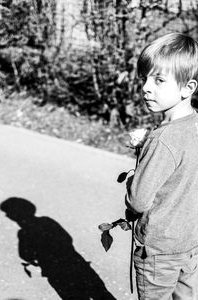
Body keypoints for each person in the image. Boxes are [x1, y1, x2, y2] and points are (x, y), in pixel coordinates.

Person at [126, 32, 198, 300]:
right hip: (191, 244)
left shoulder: (162, 139)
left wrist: (135, 178)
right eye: (144, 78)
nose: (146, 87)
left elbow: (138, 201)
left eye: (158, 80)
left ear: (187, 88)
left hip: (159, 251)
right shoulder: (195, 125)